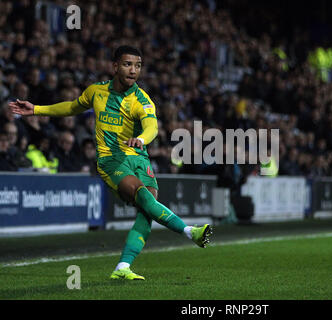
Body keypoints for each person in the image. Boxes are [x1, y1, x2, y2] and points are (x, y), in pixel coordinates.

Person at [9, 45, 212, 280]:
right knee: (143, 195)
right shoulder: (97, 92)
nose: (133, 70)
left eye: (137, 65)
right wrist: (36, 109)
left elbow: (152, 126)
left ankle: (123, 267)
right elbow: (73, 107)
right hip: (110, 160)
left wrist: (141, 139)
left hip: (139, 158)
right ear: (115, 66)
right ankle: (191, 232)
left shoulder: (141, 100)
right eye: (127, 64)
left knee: (147, 211)